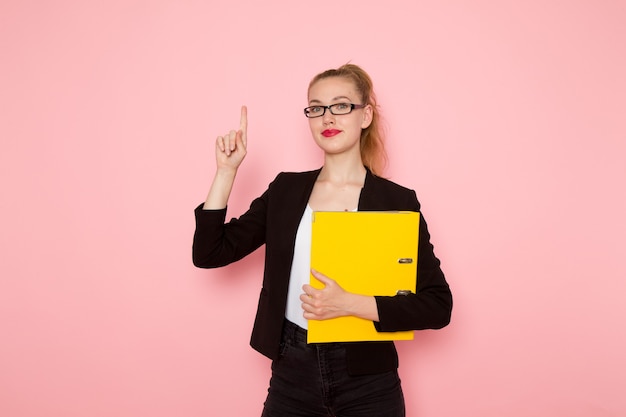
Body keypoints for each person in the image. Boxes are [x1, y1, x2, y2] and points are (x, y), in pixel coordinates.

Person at [193, 64, 452, 417]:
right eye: (316, 107)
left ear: (365, 116)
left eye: (341, 105)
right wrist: (226, 172)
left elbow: (438, 306)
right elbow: (210, 253)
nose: (327, 116)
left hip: (368, 378)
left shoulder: (396, 201)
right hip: (292, 371)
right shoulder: (285, 190)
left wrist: (351, 304)